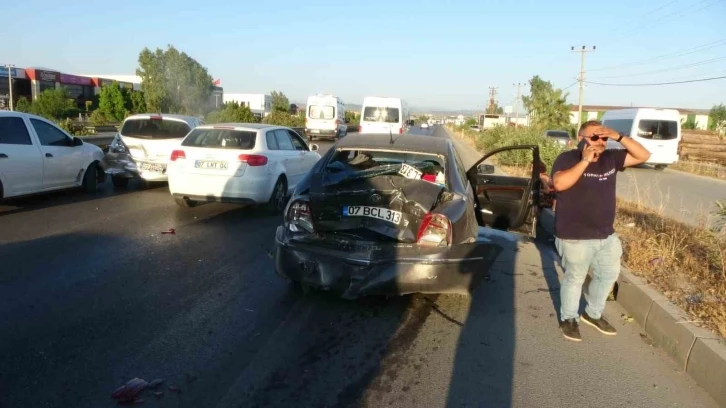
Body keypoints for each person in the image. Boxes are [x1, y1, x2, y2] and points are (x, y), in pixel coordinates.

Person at [551, 120, 651, 342]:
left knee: (608, 276)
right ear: (581, 139)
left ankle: (592, 314)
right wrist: (586, 161)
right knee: (575, 278)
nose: (600, 142)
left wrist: (619, 136)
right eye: (594, 137)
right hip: (574, 235)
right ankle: (569, 319)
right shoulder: (568, 158)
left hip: (606, 234)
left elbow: (644, 156)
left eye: (604, 137)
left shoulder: (611, 158)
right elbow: (559, 184)